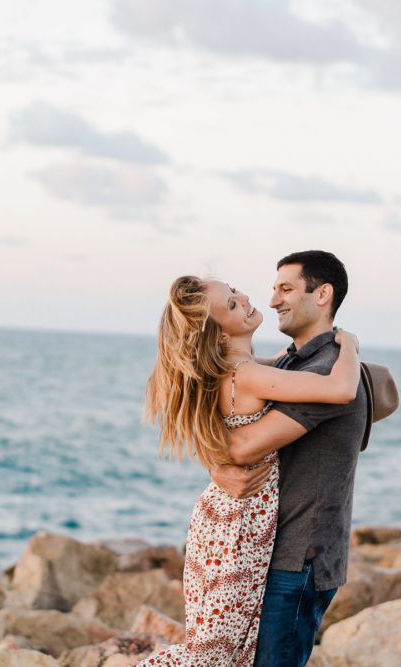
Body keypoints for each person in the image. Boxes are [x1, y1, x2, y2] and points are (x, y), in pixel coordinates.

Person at [140, 271, 361, 666]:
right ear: (221, 336)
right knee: (214, 653)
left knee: (220, 647)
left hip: (220, 517)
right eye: (231, 304)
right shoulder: (250, 375)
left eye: (234, 290)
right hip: (242, 525)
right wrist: (350, 346)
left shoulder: (232, 370)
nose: (245, 298)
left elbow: (275, 370)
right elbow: (342, 390)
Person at [210, 250, 369, 667]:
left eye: (286, 289)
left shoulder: (326, 367)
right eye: (274, 289)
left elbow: (244, 446)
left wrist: (220, 463)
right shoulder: (292, 364)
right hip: (270, 550)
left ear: (323, 295)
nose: (274, 300)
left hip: (299, 557)